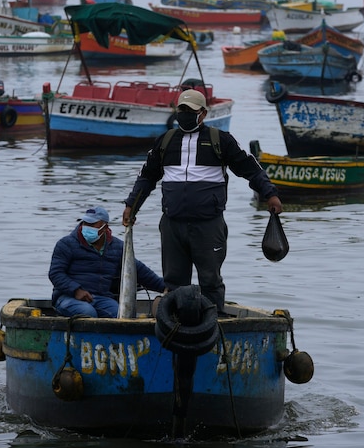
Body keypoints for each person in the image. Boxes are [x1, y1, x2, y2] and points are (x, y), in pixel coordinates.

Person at [122, 88, 283, 313]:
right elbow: (147, 177)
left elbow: (251, 170)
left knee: (210, 281)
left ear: (203, 114)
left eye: (191, 110)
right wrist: (132, 205)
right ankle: (175, 326)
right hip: (172, 225)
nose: (186, 114)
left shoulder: (220, 141)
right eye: (182, 110)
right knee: (174, 282)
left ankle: (212, 324)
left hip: (209, 225)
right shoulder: (165, 142)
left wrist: (270, 194)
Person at [49, 206, 165, 318]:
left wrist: (166, 287)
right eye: (85, 223)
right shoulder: (66, 244)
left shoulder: (117, 247)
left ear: (104, 227)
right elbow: (56, 274)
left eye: (92, 225)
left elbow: (139, 271)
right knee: (87, 312)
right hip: (67, 297)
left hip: (101, 297)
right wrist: (76, 290)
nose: (86, 227)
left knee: (120, 315)